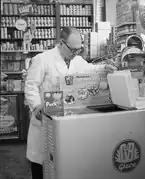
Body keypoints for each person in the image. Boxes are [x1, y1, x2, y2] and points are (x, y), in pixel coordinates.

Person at [24, 27, 117, 179]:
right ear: (61, 43)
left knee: (61, 163)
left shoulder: (77, 60)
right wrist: (36, 105)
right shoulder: (43, 59)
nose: (76, 53)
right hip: (44, 118)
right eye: (73, 50)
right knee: (41, 162)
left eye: (78, 50)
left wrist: (105, 68)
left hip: (66, 120)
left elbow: (92, 69)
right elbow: (31, 85)